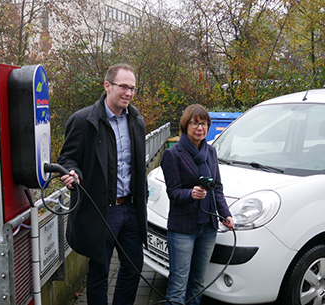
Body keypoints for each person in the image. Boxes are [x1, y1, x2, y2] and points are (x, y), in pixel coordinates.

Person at [57, 63, 148, 305]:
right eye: (123, 87)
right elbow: (67, 157)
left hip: (131, 209)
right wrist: (71, 172)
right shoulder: (83, 120)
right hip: (102, 210)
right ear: (107, 86)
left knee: (133, 268)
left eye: (133, 88)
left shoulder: (136, 121)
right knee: (99, 271)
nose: (128, 93)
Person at [160, 104, 234, 305]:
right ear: (186, 125)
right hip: (183, 229)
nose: (199, 128)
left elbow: (217, 187)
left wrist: (225, 214)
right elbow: (173, 192)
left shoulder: (210, 152)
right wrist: (190, 193)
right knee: (178, 283)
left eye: (203, 124)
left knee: (198, 282)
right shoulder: (173, 154)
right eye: (195, 123)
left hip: (208, 227)